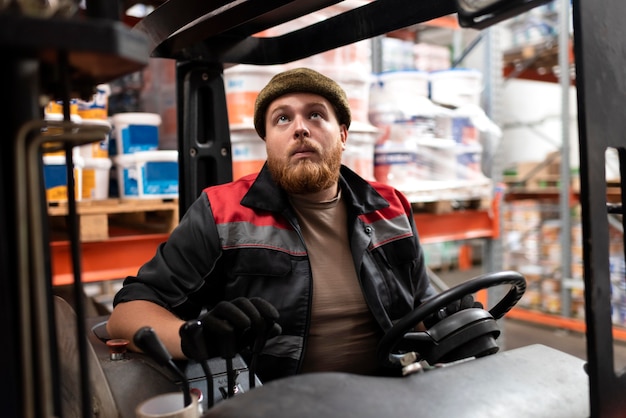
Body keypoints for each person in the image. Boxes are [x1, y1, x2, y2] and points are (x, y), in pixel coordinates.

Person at [107, 67, 440, 383]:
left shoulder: (391, 207)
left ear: (342, 135)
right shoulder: (221, 212)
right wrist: (193, 337)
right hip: (272, 403)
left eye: (316, 114)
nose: (300, 128)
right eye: (282, 118)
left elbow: (424, 308)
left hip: (388, 395)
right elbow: (128, 313)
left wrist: (455, 324)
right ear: (266, 140)